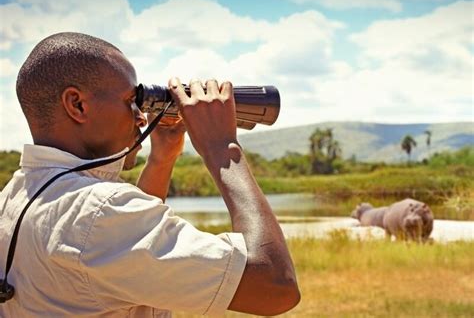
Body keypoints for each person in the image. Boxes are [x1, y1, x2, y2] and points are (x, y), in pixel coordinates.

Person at [0, 32, 300, 316]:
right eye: (131, 101)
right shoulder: (98, 214)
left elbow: (125, 256)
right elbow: (274, 285)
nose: (142, 117)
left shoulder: (15, 196)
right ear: (78, 105)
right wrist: (223, 148)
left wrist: (161, 159)